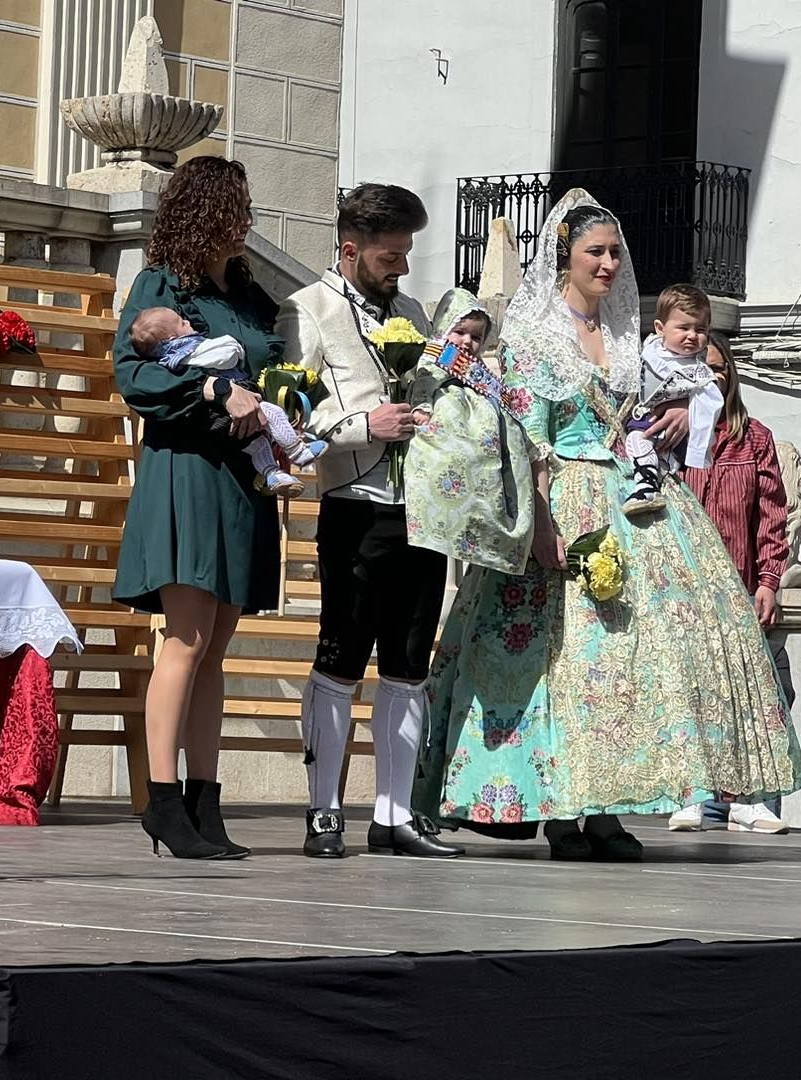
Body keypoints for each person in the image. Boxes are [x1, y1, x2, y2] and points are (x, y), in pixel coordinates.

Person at [414, 189, 801, 862]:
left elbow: (642, 418)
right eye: (596, 251)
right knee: (562, 661)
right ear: (565, 256)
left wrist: (678, 417)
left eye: (615, 252)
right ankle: (564, 810)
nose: (608, 263)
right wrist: (539, 523)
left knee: (627, 660)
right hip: (563, 495)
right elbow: (529, 437)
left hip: (632, 495)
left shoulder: (628, 338)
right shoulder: (539, 340)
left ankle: (604, 809)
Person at [278, 183, 463, 859]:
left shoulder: (411, 310)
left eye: (406, 253)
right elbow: (292, 411)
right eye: (391, 255)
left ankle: (395, 816)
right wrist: (364, 424)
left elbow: (433, 389)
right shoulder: (308, 308)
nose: (403, 268)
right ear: (351, 248)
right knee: (341, 657)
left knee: (410, 663)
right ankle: (324, 809)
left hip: (423, 506)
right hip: (354, 506)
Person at [112, 156, 285, 860]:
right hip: (186, 469)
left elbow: (273, 362)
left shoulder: (247, 297)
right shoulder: (163, 286)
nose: (246, 220)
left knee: (215, 649)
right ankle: (160, 802)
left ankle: (205, 804)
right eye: (235, 207)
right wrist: (214, 394)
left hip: (241, 476)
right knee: (183, 641)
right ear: (205, 211)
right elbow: (133, 374)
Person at [666, 334, 795, 835]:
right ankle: (694, 793)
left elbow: (772, 515)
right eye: (701, 365)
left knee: (748, 693)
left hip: (738, 583)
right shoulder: (670, 435)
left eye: (719, 367)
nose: (711, 374)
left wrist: (769, 580)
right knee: (689, 692)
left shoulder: (754, 437)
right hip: (683, 585)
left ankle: (750, 797)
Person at [404, 288, 539, 577]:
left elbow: (505, 404)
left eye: (476, 337)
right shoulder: (436, 355)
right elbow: (423, 384)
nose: (467, 342)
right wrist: (422, 409)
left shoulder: (480, 372)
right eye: (460, 332)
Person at [127, 306, 326, 497]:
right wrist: (234, 348)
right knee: (272, 413)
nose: (188, 321)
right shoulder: (189, 350)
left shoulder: (169, 359)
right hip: (228, 410)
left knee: (257, 444)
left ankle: (273, 475)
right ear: (172, 339)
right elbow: (227, 355)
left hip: (218, 424)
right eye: (181, 323)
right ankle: (298, 451)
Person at [622, 284, 723, 516]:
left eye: (700, 329)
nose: (692, 335)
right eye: (683, 327)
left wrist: (690, 408)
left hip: (663, 429)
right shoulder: (648, 349)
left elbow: (711, 403)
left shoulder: (700, 371)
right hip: (640, 416)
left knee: (638, 440)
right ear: (660, 328)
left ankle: (647, 485)